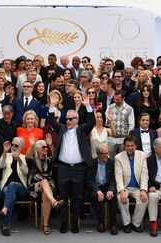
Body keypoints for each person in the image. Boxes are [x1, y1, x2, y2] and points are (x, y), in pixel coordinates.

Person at [48, 91, 95, 233]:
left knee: (77, 198)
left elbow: (92, 122)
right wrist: (52, 106)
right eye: (67, 119)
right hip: (63, 168)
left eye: (70, 119)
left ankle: (74, 223)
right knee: (62, 197)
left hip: (79, 169)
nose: (67, 121)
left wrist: (88, 107)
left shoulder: (82, 130)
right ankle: (63, 223)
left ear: (77, 119)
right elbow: (51, 121)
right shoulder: (61, 128)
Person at [26, 136, 63, 235]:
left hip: (48, 188)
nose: (45, 149)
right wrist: (32, 145)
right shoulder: (33, 160)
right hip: (35, 186)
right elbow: (27, 157)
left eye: (46, 147)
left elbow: (56, 157)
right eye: (43, 147)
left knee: (45, 195)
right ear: (37, 149)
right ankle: (54, 201)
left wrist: (51, 145)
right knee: (44, 181)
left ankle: (45, 225)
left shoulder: (49, 160)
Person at [115, 135, 149, 233]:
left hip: (138, 187)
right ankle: (126, 224)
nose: (130, 148)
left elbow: (144, 174)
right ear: (124, 146)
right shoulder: (118, 157)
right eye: (128, 146)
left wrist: (143, 190)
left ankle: (135, 223)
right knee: (120, 198)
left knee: (144, 199)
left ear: (136, 146)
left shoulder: (142, 155)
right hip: (125, 186)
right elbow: (118, 176)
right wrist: (121, 191)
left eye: (132, 145)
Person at [0, 137, 29, 236]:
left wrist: (19, 160)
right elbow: (0, 166)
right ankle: (5, 226)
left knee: (13, 185)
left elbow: (26, 171)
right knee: (12, 195)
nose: (13, 147)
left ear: (21, 147)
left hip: (21, 188)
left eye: (16, 145)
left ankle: (4, 210)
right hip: (7, 187)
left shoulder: (24, 157)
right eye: (12, 145)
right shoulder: (6, 155)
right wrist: (4, 152)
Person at [87, 144, 118, 235]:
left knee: (114, 197)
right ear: (97, 154)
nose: (105, 155)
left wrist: (111, 190)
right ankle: (100, 222)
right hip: (96, 187)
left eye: (107, 153)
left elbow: (113, 179)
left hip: (107, 187)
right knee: (93, 196)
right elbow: (89, 180)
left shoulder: (111, 162)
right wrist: (97, 190)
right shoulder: (91, 163)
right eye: (103, 153)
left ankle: (113, 224)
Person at [105, 90, 135, 156]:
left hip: (123, 139)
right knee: (110, 159)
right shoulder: (110, 107)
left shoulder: (129, 109)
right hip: (111, 139)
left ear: (123, 98)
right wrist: (109, 121)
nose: (115, 101)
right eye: (114, 99)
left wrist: (128, 139)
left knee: (123, 158)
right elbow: (106, 123)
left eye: (118, 99)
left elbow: (131, 125)